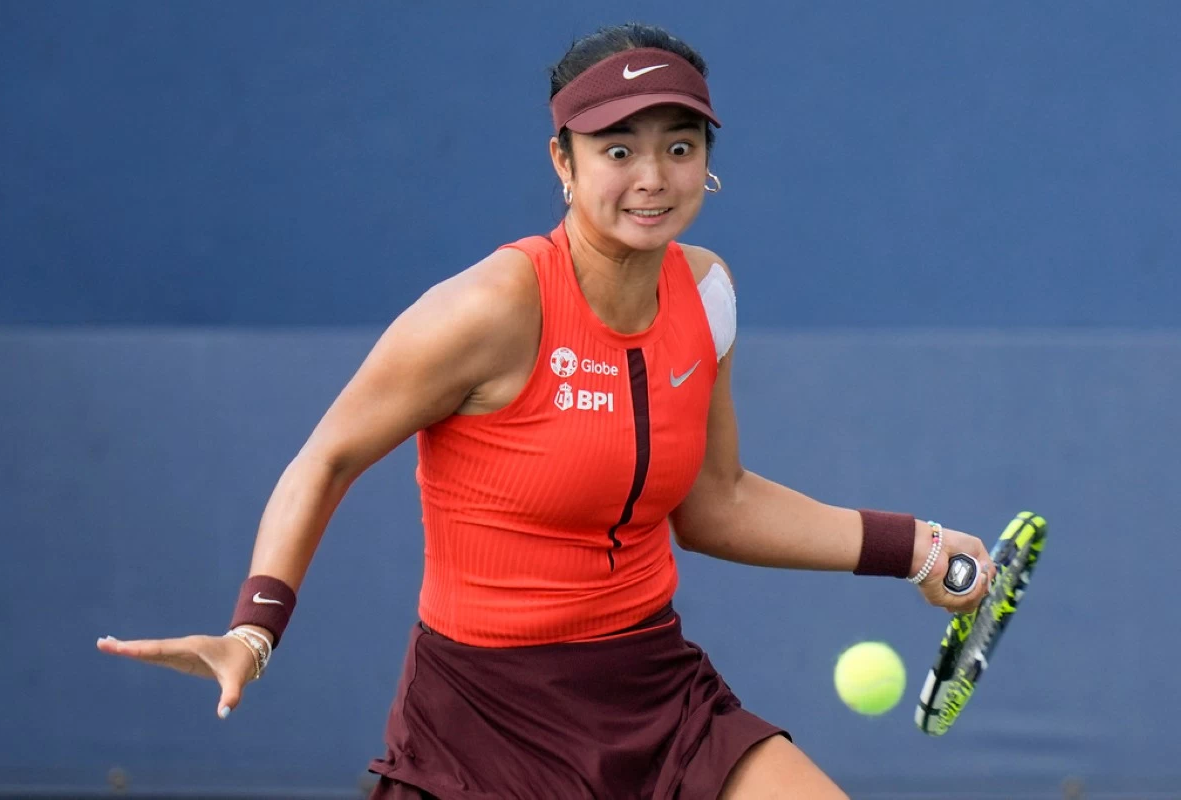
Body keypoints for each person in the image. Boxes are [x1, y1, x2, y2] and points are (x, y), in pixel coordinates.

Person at [97, 22, 994, 799]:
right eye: (617, 149)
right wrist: (253, 632)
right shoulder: (489, 310)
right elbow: (324, 459)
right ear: (561, 161)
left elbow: (716, 502)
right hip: (484, 721)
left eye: (680, 147)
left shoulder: (708, 294)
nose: (652, 176)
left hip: (656, 691)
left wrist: (913, 546)